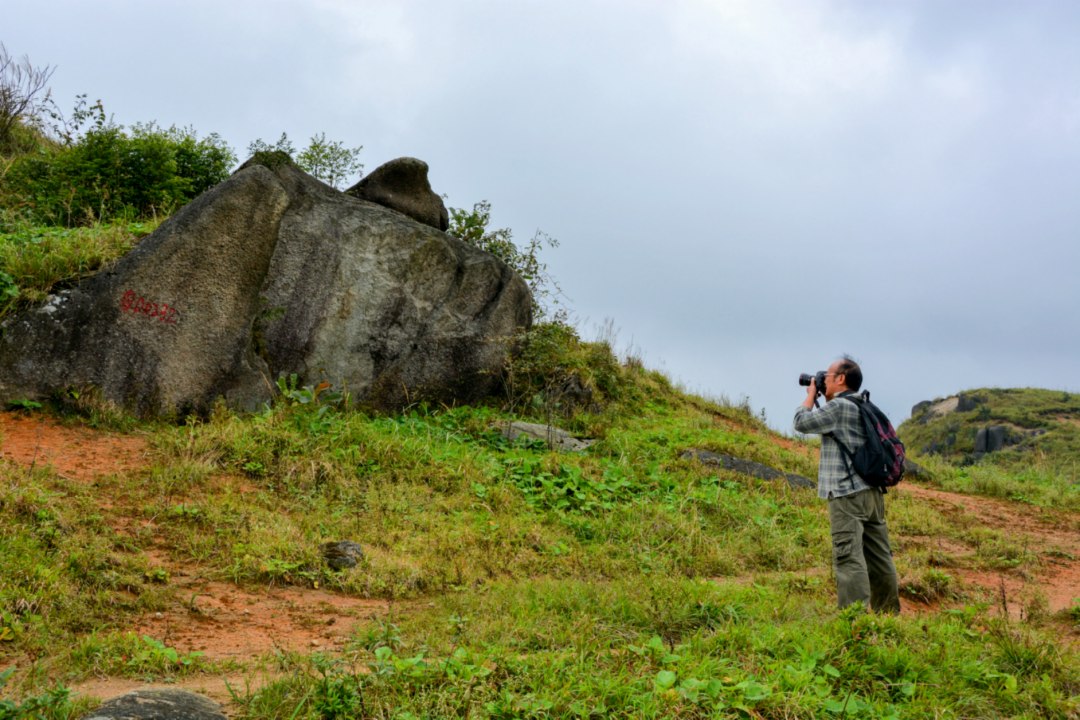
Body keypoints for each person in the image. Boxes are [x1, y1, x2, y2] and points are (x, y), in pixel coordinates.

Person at [794, 356, 900, 614]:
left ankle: (855, 625)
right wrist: (826, 394)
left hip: (846, 494)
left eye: (827, 377)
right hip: (873, 494)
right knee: (880, 559)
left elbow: (801, 422)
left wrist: (810, 394)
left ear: (841, 379)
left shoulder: (839, 408)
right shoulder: (862, 404)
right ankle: (888, 618)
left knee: (849, 558)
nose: (822, 381)